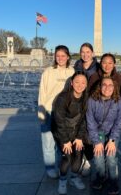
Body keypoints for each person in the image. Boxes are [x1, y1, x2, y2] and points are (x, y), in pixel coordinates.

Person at [38, 45, 75, 179]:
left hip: (64, 113)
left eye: (63, 56)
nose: (60, 58)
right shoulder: (48, 72)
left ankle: (61, 166)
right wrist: (41, 113)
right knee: (48, 142)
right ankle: (49, 167)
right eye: (58, 55)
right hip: (48, 110)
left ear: (68, 57)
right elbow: (42, 93)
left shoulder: (72, 72)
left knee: (62, 142)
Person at [86, 77, 121, 195]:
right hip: (98, 133)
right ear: (100, 86)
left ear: (114, 88)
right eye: (104, 85)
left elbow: (119, 122)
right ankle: (101, 177)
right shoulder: (92, 100)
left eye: (110, 85)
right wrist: (96, 141)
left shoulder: (119, 101)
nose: (107, 88)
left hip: (113, 132)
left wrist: (112, 140)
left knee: (111, 158)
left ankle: (113, 181)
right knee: (98, 158)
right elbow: (90, 122)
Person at [52, 72, 89, 194]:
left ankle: (74, 177)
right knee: (67, 157)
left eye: (83, 82)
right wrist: (65, 141)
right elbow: (59, 121)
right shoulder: (63, 98)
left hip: (76, 131)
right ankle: (62, 181)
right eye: (77, 82)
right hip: (62, 132)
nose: (80, 85)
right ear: (72, 83)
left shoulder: (85, 98)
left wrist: (79, 137)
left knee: (78, 155)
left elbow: (84, 119)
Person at [73, 42, 100, 176]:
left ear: (93, 53)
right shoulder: (77, 65)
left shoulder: (98, 67)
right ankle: (80, 158)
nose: (85, 54)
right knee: (79, 130)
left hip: (93, 103)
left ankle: (88, 160)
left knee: (89, 132)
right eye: (83, 52)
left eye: (88, 52)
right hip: (78, 102)